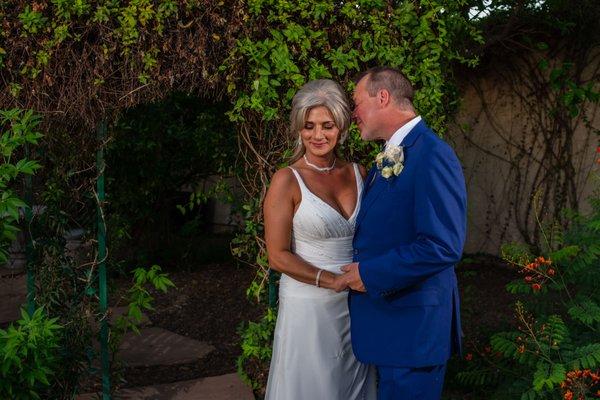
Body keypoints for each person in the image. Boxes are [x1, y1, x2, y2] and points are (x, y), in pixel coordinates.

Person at [340, 67, 467, 399]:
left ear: (382, 97)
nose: (352, 114)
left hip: (414, 333)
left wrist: (370, 273)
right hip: (394, 329)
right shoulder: (392, 154)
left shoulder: (431, 154)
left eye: (356, 102)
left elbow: (442, 245)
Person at [263, 79, 377, 400]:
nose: (317, 135)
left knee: (353, 384)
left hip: (357, 301)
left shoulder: (359, 172)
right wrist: (332, 281)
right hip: (309, 304)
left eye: (327, 125)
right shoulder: (286, 180)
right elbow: (278, 256)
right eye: (308, 126)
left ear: (341, 126)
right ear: (298, 128)